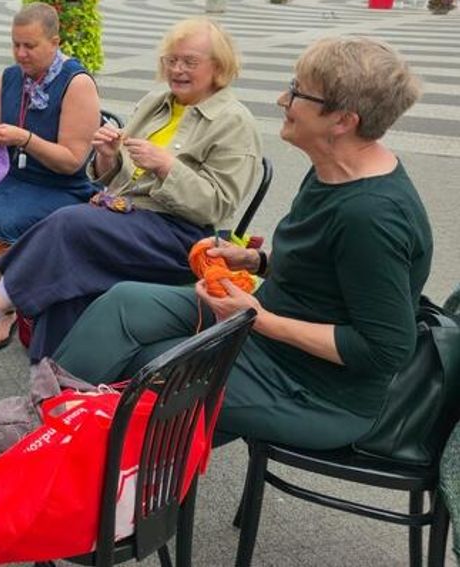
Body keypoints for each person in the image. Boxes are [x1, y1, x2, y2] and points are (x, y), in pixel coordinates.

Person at [53, 36, 431, 449]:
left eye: (298, 92)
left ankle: (64, 459)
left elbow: (384, 349)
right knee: (123, 304)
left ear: (342, 121)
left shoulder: (370, 215)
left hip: (314, 392)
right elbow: (332, 268)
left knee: (147, 368)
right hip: (266, 329)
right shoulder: (335, 168)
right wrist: (255, 260)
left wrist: (258, 318)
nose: (283, 98)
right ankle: (40, 430)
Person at [0, 18, 262, 360]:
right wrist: (108, 157)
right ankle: (52, 384)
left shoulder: (234, 121)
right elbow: (114, 176)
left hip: (179, 236)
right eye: (171, 60)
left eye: (189, 62)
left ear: (218, 67)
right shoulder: (158, 102)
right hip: (125, 216)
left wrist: (167, 166)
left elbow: (218, 208)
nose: (177, 69)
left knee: (69, 224)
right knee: (69, 281)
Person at [0, 2, 101, 345]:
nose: (20, 53)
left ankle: (7, 306)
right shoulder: (9, 76)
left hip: (61, 186)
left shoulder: (76, 83)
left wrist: (24, 138)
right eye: (15, 44)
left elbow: (73, 161)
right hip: (15, 178)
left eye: (30, 46)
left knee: (1, 224)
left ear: (55, 42)